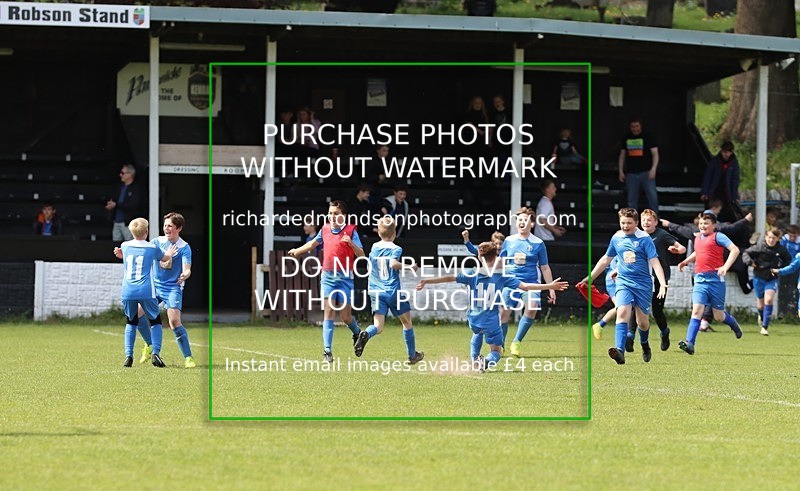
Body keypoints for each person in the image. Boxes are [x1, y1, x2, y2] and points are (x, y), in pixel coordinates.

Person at [416, 241, 568, 371]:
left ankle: (474, 360)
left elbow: (450, 277)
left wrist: (426, 281)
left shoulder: (472, 273)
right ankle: (485, 362)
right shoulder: (502, 276)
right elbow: (527, 286)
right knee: (497, 350)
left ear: (479, 257)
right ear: (496, 257)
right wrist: (549, 285)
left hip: (473, 319)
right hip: (491, 321)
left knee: (477, 333)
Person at [579, 208, 667, 364]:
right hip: (623, 282)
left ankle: (645, 344)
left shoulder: (644, 239)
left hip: (643, 284)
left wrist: (662, 283)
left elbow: (655, 262)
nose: (625, 226)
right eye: (623, 223)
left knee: (642, 322)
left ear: (636, 223)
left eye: (629, 223)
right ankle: (620, 351)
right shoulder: (617, 238)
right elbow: (606, 259)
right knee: (622, 313)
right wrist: (589, 278)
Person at [116, 212, 197, 368]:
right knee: (138, 315)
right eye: (165, 225)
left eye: (170, 226)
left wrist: (184, 275)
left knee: (174, 321)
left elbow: (187, 268)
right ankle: (150, 346)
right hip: (154, 286)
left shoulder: (184, 247)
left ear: (178, 228)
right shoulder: (156, 242)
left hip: (173, 287)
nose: (166, 229)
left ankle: (188, 358)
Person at [289, 200, 364, 362]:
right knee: (328, 313)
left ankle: (357, 333)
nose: (332, 216)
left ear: (344, 216)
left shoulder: (351, 231)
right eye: (330, 213)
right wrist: (298, 251)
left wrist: (350, 243)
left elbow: (362, 255)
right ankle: (327, 352)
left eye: (335, 214)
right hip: (328, 277)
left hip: (345, 278)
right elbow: (312, 244)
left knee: (345, 317)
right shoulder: (324, 229)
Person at [353, 216, 424, 363]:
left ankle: (366, 333)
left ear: (379, 233)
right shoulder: (396, 248)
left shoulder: (374, 247)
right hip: (392, 290)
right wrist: (410, 267)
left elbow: (370, 265)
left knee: (378, 326)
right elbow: (392, 264)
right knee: (407, 322)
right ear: (394, 234)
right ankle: (412, 355)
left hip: (376, 290)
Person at [676, 210, 743, 355]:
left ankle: (733, 324)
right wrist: (686, 261)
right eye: (701, 223)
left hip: (715, 281)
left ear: (714, 225)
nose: (702, 226)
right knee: (697, 311)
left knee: (718, 316)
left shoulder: (718, 236)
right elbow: (698, 252)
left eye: (706, 223)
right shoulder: (698, 237)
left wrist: (725, 266)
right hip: (700, 280)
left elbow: (735, 250)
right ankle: (690, 343)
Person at [118, 217, 175, 368]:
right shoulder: (151, 248)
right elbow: (165, 258)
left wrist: (120, 254)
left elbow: (128, 256)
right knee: (155, 321)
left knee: (131, 321)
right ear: (147, 231)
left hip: (127, 290)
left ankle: (128, 356)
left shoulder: (124, 245)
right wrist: (169, 252)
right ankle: (155, 353)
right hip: (145, 289)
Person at [626, 209, 686, 351]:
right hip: (641, 279)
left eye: (649, 220)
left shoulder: (661, 235)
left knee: (657, 311)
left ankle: (665, 333)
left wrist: (677, 250)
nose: (646, 223)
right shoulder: (636, 236)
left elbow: (682, 247)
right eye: (643, 220)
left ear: (655, 222)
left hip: (660, 279)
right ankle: (629, 338)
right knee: (635, 308)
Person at [501, 207, 556, 358]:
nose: (522, 223)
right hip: (510, 282)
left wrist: (551, 288)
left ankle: (516, 342)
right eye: (519, 220)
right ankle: (501, 345)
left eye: (525, 220)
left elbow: (545, 267)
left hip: (531, 282)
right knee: (504, 313)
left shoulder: (538, 243)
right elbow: (499, 262)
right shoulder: (508, 241)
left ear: (532, 224)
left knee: (532, 307)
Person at [461, 228, 505, 359]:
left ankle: (477, 358)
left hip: (495, 295)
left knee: (497, 321)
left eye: (500, 243)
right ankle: (478, 358)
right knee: (485, 328)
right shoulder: (492, 258)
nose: (498, 246)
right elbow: (474, 250)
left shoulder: (503, 258)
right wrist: (466, 239)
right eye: (495, 243)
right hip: (486, 297)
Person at [742, 228, 791, 335]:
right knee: (760, 305)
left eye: (774, 238)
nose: (771, 240)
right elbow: (746, 253)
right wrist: (750, 262)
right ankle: (761, 315)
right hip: (759, 277)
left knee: (768, 300)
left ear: (778, 239)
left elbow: (788, 260)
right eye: (769, 237)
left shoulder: (781, 249)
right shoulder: (759, 247)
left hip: (772, 278)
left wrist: (780, 269)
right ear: (765, 237)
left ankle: (764, 326)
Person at [618, 117, 659, 212]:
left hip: (646, 172)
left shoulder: (648, 136)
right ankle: (632, 220)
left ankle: (655, 218)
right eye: (633, 126)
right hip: (631, 173)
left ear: (640, 126)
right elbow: (622, 155)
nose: (635, 129)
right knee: (631, 200)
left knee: (652, 197)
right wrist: (620, 170)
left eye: (637, 126)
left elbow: (655, 153)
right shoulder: (626, 137)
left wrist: (653, 169)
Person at [701, 141, 741, 223]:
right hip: (714, 191)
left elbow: (735, 180)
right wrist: (705, 192)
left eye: (727, 152)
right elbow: (708, 176)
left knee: (725, 212)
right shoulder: (715, 161)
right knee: (712, 208)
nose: (725, 154)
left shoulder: (734, 163)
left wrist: (734, 196)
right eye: (724, 152)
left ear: (731, 152)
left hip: (726, 193)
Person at [106, 164, 143, 241]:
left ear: (130, 174)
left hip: (128, 223)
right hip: (116, 221)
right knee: (116, 247)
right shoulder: (119, 187)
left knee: (129, 246)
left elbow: (133, 205)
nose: (120, 175)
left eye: (123, 173)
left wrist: (116, 205)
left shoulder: (135, 189)